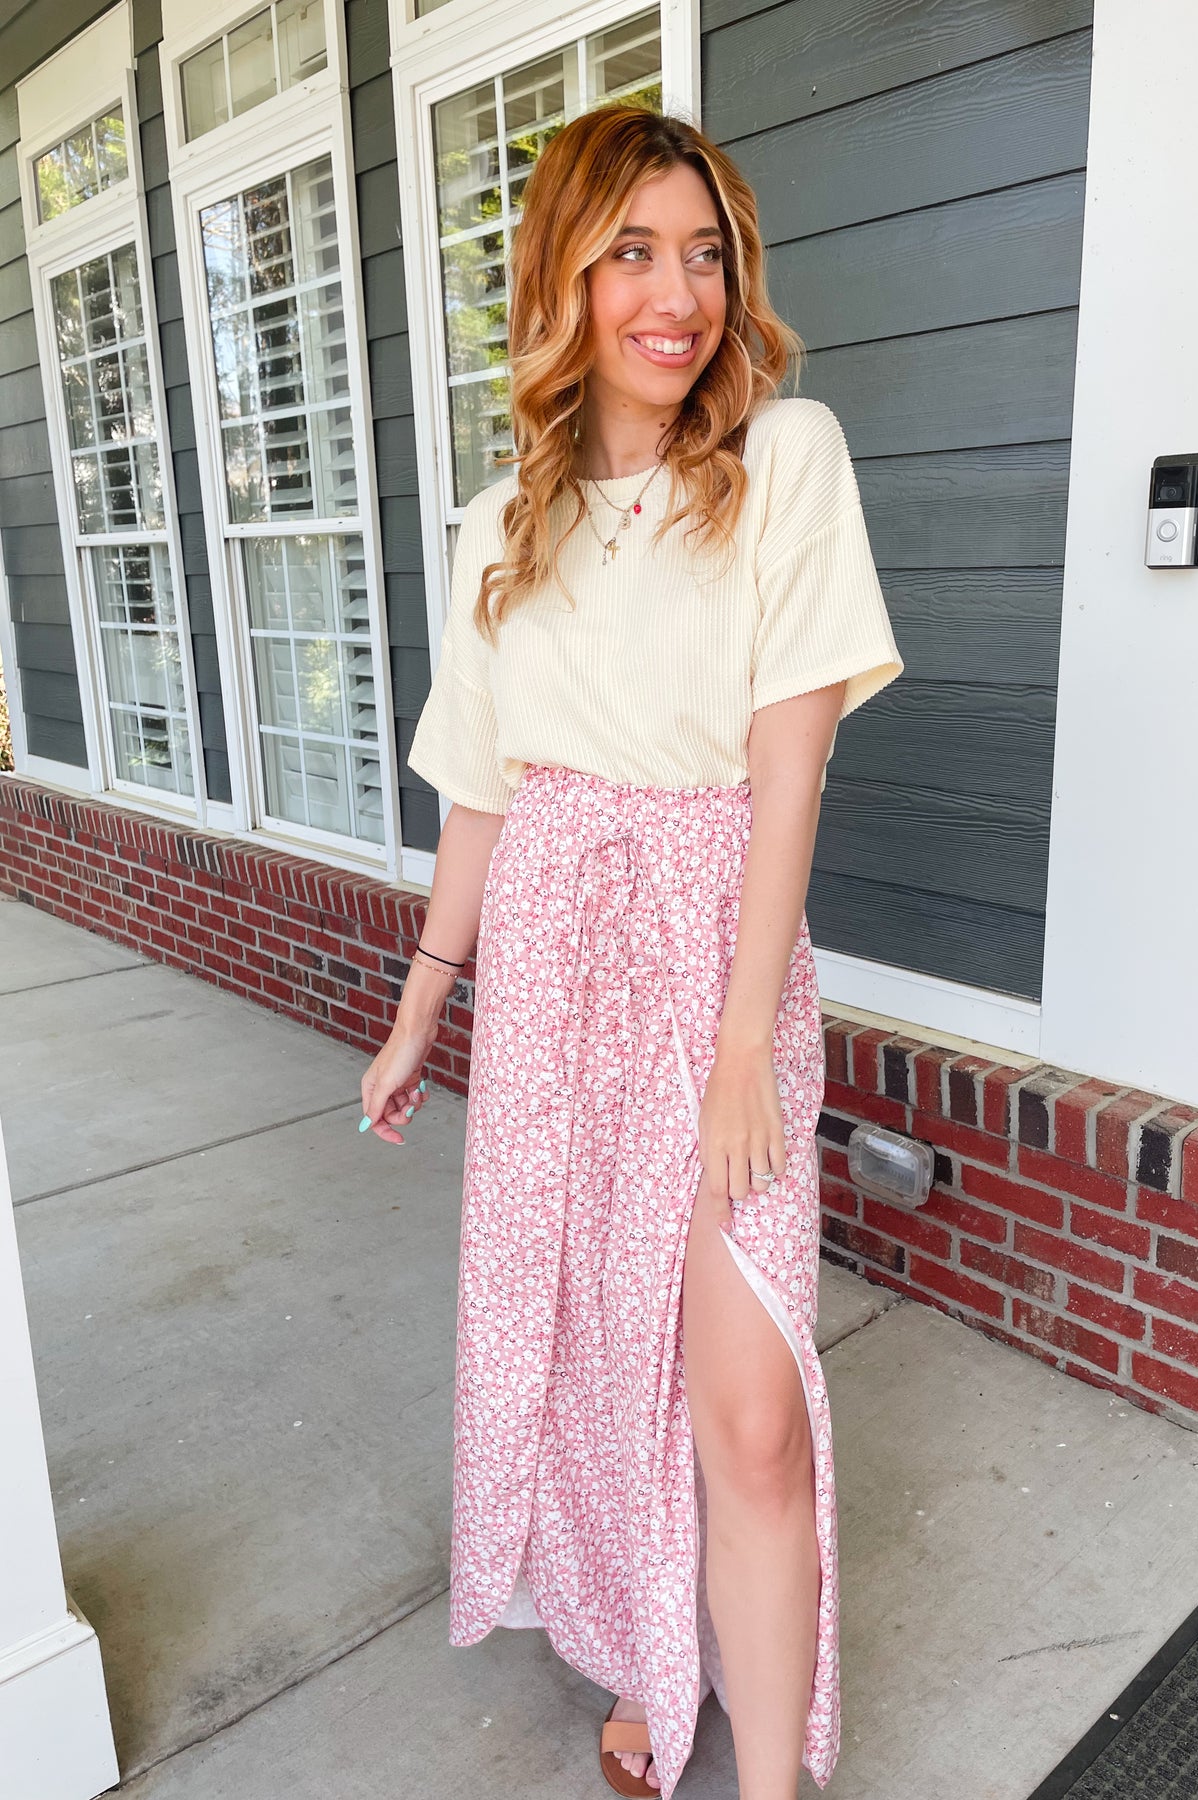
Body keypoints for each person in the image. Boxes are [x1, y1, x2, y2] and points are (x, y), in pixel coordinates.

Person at [357, 104, 903, 1800]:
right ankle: (659, 1665)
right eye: (633, 254)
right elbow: (485, 795)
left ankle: (768, 1780)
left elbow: (790, 771)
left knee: (747, 1406)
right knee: (604, 1364)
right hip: (551, 974)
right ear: (562, 281)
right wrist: (420, 1005)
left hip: (716, 964)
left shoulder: (784, 460)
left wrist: (741, 1048)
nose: (678, 295)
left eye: (705, 255)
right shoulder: (496, 531)